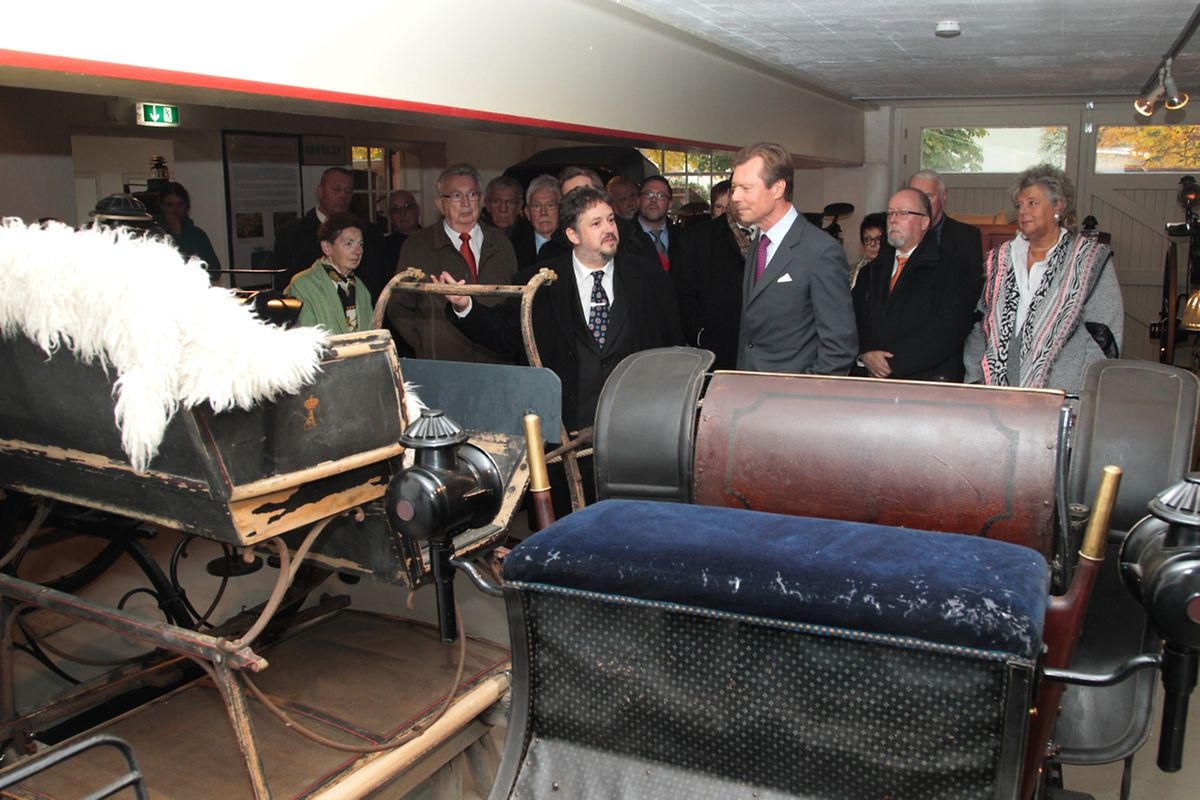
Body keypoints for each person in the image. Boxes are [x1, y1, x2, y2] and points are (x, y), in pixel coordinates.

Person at [435, 186, 683, 434]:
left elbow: (672, 346)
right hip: (565, 429)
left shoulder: (648, 277)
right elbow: (504, 333)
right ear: (573, 235)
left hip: (636, 426)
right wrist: (464, 306)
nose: (609, 229)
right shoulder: (539, 282)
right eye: (596, 223)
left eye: (610, 220)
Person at [963, 164, 1123, 394]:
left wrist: (1084, 391)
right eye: (1019, 205)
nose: (1022, 211)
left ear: (1058, 206)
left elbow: (1105, 334)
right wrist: (974, 379)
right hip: (996, 394)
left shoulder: (1088, 260)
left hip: (1062, 394)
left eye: (1032, 203)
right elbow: (980, 323)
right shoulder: (1002, 258)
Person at [730, 141, 857, 375]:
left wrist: (802, 392)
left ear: (778, 188)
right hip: (751, 388)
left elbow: (839, 348)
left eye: (746, 188)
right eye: (734, 187)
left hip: (792, 393)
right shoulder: (760, 242)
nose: (735, 196)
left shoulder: (821, 252)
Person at [388, 163, 518, 361]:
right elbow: (399, 307)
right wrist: (425, 342)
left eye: (472, 194)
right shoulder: (417, 246)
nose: (466, 203)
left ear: (481, 200)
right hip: (443, 363)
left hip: (495, 361)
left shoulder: (501, 244)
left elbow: (514, 305)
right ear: (440, 204)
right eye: (456, 196)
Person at [852, 190, 976, 381]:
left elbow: (948, 331)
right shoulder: (870, 272)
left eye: (903, 213)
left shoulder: (952, 269)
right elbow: (855, 319)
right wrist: (866, 352)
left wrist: (893, 364)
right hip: (873, 380)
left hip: (927, 382)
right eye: (890, 213)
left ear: (924, 222)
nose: (893, 220)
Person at [274, 167, 389, 300]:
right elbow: (283, 286)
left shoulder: (370, 233)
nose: (343, 196)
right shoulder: (291, 234)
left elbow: (381, 283)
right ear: (320, 192)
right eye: (336, 189)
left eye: (348, 191)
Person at [673, 204, 752, 370]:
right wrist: (700, 335)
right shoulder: (696, 238)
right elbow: (682, 294)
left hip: (770, 356)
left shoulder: (778, 234)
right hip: (717, 352)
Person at [284, 212, 373, 334]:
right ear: (327, 247)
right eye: (349, 243)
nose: (358, 251)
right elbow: (305, 339)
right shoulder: (302, 285)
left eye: (360, 244)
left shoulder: (361, 288)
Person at [907, 169, 984, 299]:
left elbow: (974, 290)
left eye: (928, 197)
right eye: (915, 197)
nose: (921, 204)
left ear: (943, 197)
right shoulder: (895, 236)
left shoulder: (967, 237)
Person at [155, 182, 221, 274]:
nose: (175, 210)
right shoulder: (153, 234)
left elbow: (215, 272)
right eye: (169, 205)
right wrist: (176, 234)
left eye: (180, 204)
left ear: (186, 206)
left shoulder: (198, 235)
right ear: (162, 206)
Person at [631, 174, 680, 271]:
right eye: (648, 194)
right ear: (638, 201)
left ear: (670, 204)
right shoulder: (622, 238)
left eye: (661, 196)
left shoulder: (682, 239)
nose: (653, 200)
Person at [512, 174, 560, 268]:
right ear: (527, 213)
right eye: (536, 206)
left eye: (550, 205)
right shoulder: (514, 249)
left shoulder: (574, 247)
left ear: (561, 210)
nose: (543, 213)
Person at [383, 189, 421, 272]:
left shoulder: (432, 240)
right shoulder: (383, 248)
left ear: (417, 210)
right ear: (390, 216)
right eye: (396, 209)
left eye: (407, 207)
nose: (402, 213)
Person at [483, 175, 528, 240]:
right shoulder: (475, 232)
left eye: (510, 203)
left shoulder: (530, 236)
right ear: (487, 205)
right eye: (496, 202)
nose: (503, 209)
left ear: (519, 206)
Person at [850, 212, 885, 289]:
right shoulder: (852, 271)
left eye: (878, 239)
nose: (872, 244)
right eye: (867, 239)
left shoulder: (894, 271)